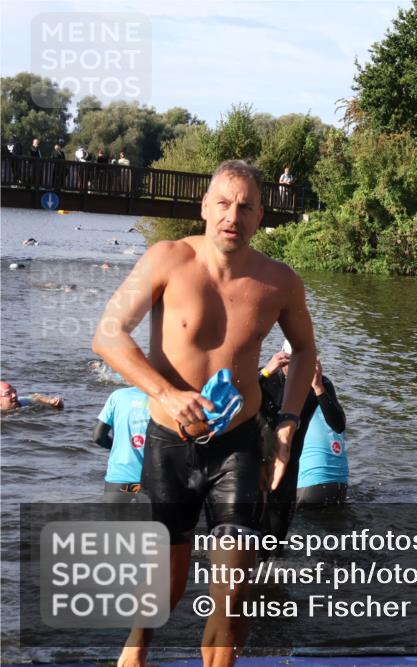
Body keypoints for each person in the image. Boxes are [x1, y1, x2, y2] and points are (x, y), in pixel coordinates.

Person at [92, 159, 316, 667]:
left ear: (261, 216)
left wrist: (286, 423)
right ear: (203, 207)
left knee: (232, 598)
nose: (231, 215)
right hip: (169, 443)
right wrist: (166, 394)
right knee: (161, 598)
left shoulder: (279, 281)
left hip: (238, 446)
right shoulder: (165, 259)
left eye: (244, 206)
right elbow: (107, 334)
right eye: (222, 202)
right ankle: (136, 649)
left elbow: (303, 352)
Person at [257, 347, 347, 548]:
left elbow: (338, 425)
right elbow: (237, 402)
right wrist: (263, 373)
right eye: (293, 363)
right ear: (282, 359)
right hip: (258, 465)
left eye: (304, 364)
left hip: (289, 469)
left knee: (277, 542)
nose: (299, 370)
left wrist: (319, 390)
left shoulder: (319, 384)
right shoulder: (266, 378)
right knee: (252, 537)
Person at [94, 387, 150, 502]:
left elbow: (98, 436)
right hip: (153, 481)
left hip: (118, 480)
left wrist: (118, 447)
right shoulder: (167, 401)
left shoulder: (118, 396)